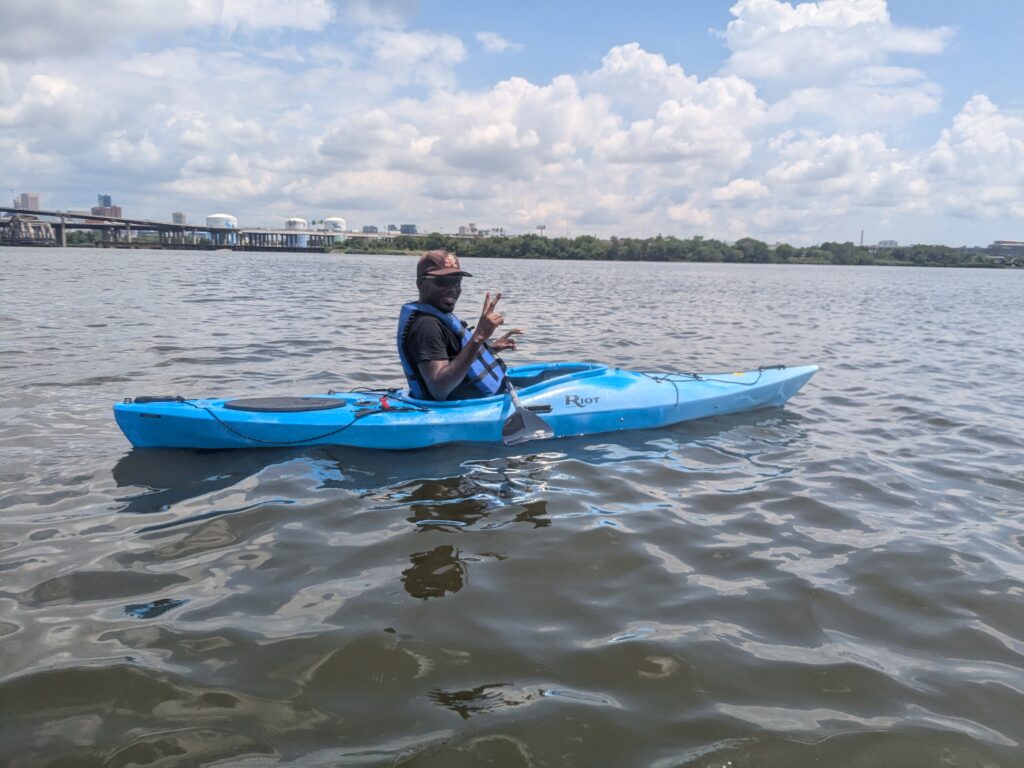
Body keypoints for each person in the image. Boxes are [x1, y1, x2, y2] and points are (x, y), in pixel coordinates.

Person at [397, 250, 522, 400]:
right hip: (461, 409)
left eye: (457, 281)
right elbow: (439, 389)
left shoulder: (439, 315)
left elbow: (452, 355)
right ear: (421, 284)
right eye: (443, 282)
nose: (452, 289)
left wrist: (488, 347)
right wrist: (478, 337)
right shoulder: (426, 326)